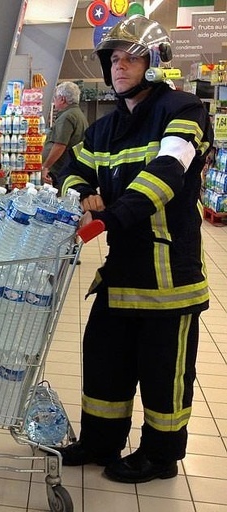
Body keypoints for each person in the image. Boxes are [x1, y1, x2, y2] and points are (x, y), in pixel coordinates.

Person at [56, 16, 213, 484]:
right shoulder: (104, 129)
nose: (120, 67)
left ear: (155, 61)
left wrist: (109, 216)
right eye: (114, 59)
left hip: (169, 276)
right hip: (121, 272)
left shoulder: (184, 110)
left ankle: (161, 456)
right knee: (103, 357)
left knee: (164, 373)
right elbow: (66, 168)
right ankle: (101, 441)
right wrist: (83, 191)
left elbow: (167, 173)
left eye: (130, 57)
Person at [41, 81, 88, 188]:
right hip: (70, 168)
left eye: (55, 98)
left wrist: (46, 167)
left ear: (62, 99)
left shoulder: (67, 117)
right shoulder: (77, 114)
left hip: (61, 171)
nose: (54, 101)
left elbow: (60, 145)